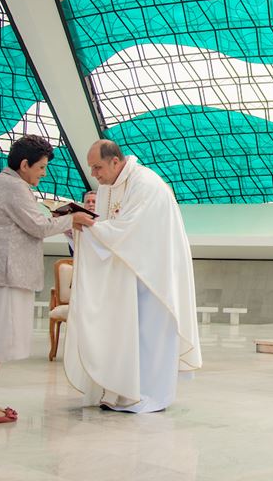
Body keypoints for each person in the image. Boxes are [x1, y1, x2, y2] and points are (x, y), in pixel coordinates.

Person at [64, 140, 202, 413]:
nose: (94, 174)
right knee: (124, 332)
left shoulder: (146, 184)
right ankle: (118, 391)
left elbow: (128, 230)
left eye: (97, 167)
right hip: (127, 272)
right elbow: (106, 224)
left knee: (149, 336)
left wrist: (89, 228)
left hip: (154, 276)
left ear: (115, 161)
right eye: (92, 168)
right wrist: (81, 225)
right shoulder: (108, 186)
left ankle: (147, 394)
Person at [0, 135, 94, 424]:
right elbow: (37, 226)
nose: (43, 173)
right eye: (41, 167)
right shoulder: (13, 188)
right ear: (25, 165)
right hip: (2, 276)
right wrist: (73, 220)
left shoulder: (2, 183)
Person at [64, 191, 97, 255]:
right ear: (84, 205)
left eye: (94, 201)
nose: (91, 204)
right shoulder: (77, 221)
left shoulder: (105, 219)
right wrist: (70, 235)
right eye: (88, 202)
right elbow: (72, 252)